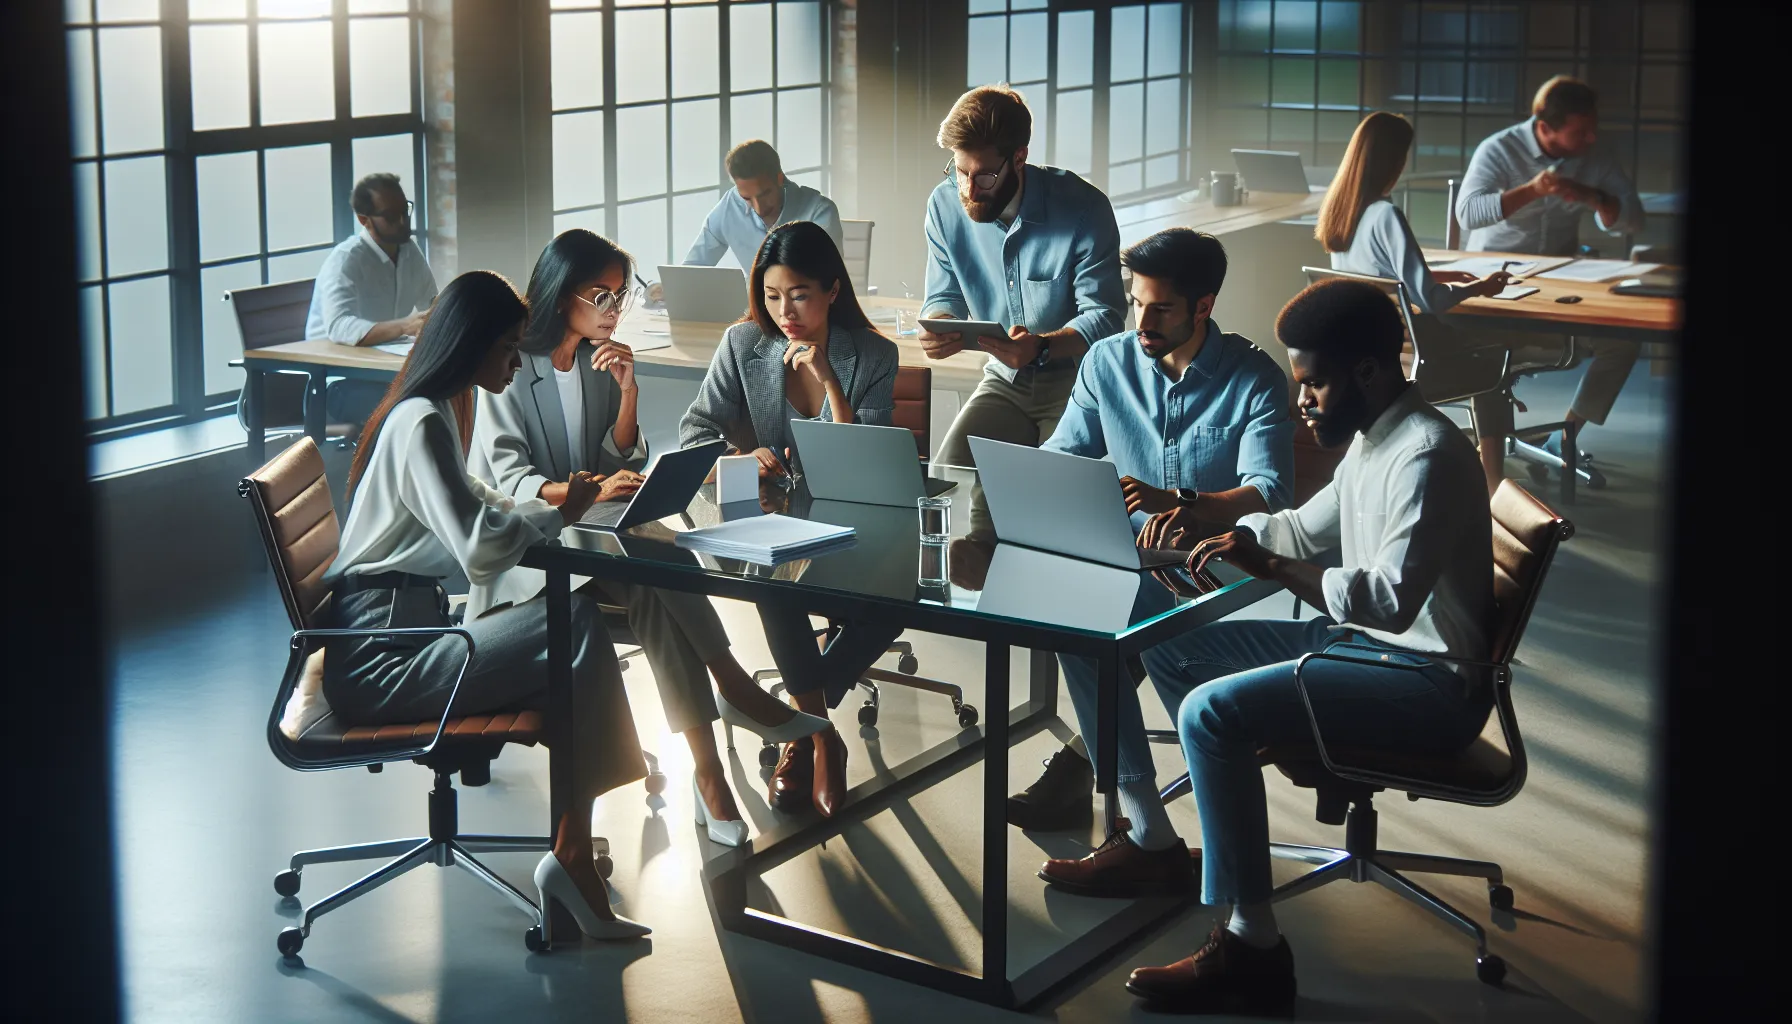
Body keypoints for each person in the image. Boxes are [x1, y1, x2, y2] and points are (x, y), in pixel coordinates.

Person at [1121, 279, 1494, 1014]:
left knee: (1209, 713)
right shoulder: (1374, 442)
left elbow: (1388, 601)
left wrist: (1270, 565)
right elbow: (1298, 529)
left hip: (1427, 681)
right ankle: (1243, 784)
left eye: (1313, 384)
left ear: (1368, 371)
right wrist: (1207, 534)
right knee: (1171, 650)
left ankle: (1251, 945)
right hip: (1365, 648)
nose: (1303, 402)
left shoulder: (1424, 455)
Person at [467, 229, 829, 848]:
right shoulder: (508, 368)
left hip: (593, 538)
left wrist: (628, 391)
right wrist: (590, 491)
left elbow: (618, 458)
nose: (615, 309)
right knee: (649, 556)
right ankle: (731, 688)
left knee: (651, 576)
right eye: (601, 296)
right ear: (561, 295)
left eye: (621, 295)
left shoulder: (596, 360)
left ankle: (710, 776)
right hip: (530, 548)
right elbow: (511, 481)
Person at [322, 270, 651, 941]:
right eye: (507, 347)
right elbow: (478, 548)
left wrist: (563, 504)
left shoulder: (431, 413)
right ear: (470, 344)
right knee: (574, 622)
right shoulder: (421, 422)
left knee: (569, 643)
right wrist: (563, 514)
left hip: (406, 634)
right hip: (382, 659)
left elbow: (488, 505)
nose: (516, 361)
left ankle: (573, 849)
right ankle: (572, 854)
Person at [1014, 229, 1295, 894]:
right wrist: (1034, 485)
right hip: (1131, 560)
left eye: (1161, 308)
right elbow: (1065, 453)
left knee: (1123, 632)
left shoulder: (1254, 376)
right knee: (1073, 620)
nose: (1142, 320)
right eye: (1137, 303)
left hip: (1219, 570)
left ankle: (1191, 838)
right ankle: (1149, 832)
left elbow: (1272, 492)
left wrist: (1187, 503)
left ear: (1203, 306)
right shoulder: (1105, 363)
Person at [679, 220, 902, 819]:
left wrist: (830, 380)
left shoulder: (874, 354)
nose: (785, 312)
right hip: (775, 522)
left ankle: (801, 728)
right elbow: (695, 431)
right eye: (773, 296)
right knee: (771, 582)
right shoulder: (743, 344)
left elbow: (866, 457)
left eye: (800, 295)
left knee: (898, 599)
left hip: (855, 524)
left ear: (833, 289)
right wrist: (740, 455)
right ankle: (819, 736)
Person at [919, 85, 1125, 468]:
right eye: (960, 172)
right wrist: (940, 323)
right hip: (1003, 379)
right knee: (948, 473)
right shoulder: (944, 204)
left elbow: (1106, 318)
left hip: (1078, 381)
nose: (969, 191)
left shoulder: (1084, 207)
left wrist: (1041, 346)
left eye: (984, 177)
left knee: (1054, 485)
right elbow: (943, 294)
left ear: (1019, 157)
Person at [1455, 75, 1645, 474]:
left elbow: (1634, 220)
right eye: (1580, 131)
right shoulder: (1499, 149)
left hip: (1559, 285)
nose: (1592, 138)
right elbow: (1468, 213)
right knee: (1486, 350)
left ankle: (1566, 435)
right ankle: (1491, 463)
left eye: (1592, 127)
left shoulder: (1595, 155)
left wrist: (1593, 197)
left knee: (1623, 342)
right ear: (1545, 128)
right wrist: (1533, 190)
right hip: (1497, 285)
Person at [1318, 111, 1517, 491]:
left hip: (1370, 353)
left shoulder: (1340, 213)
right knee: (1493, 360)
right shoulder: (1386, 214)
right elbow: (1431, 301)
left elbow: (1379, 275)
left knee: (1477, 349)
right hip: (1412, 358)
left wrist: (1443, 276)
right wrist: (1480, 288)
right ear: (1393, 161)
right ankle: (1493, 483)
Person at [305, 172, 440, 428]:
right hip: (335, 384)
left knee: (455, 387)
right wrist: (405, 326)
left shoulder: (409, 251)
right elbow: (339, 326)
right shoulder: (346, 260)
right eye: (391, 216)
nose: (403, 221)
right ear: (363, 220)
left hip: (387, 372)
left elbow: (432, 304)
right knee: (417, 403)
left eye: (405, 211)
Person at [683, 140, 843, 270]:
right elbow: (693, 268)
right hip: (749, 300)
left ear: (779, 179)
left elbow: (828, 277)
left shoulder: (819, 211)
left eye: (764, 194)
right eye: (747, 198)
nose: (759, 208)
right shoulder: (731, 205)